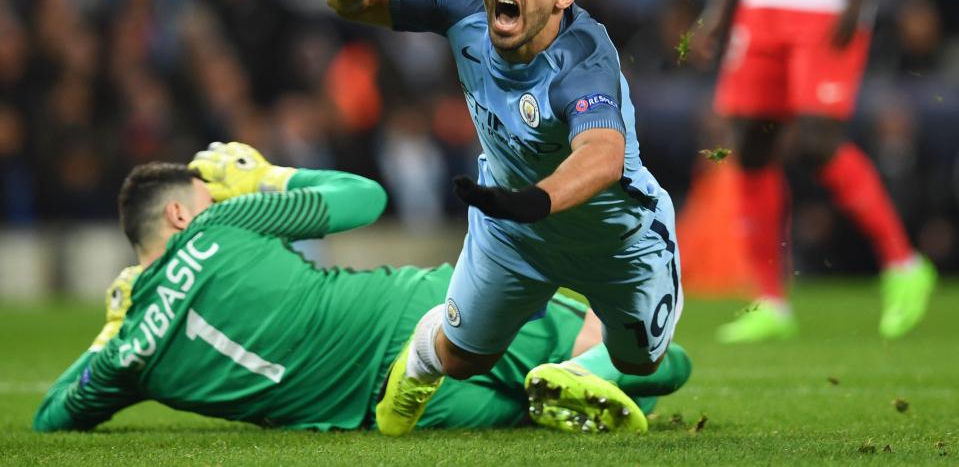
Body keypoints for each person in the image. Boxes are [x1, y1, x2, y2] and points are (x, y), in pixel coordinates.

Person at [325, 0, 690, 436]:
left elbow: (603, 156)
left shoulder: (585, 59)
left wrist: (535, 201)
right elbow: (346, 1)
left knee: (641, 362)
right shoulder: (465, 5)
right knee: (464, 359)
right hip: (512, 225)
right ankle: (420, 364)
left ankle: (572, 369)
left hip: (615, 233)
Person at [33, 142, 691, 433]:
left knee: (560, 405)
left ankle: (572, 376)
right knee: (657, 359)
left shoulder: (127, 360)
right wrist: (263, 176)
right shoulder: (221, 226)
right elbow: (363, 197)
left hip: (382, 413)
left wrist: (110, 337)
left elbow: (52, 415)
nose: (216, 198)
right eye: (207, 194)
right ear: (180, 216)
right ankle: (585, 365)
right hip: (417, 313)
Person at [701, 0, 936, 343]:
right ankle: (770, 300)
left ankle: (903, 264)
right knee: (749, 145)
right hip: (762, 4)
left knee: (816, 139)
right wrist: (719, 14)